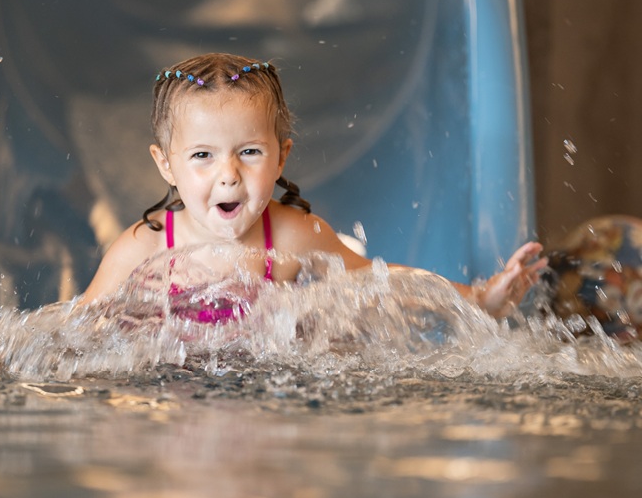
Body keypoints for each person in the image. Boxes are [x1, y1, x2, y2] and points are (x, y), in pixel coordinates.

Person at [81, 52, 547, 319]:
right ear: (166, 165)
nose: (228, 174)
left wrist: (478, 297)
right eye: (202, 156)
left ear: (281, 155)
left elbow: (383, 283)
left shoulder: (288, 235)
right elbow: (75, 329)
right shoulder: (145, 248)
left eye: (249, 152)